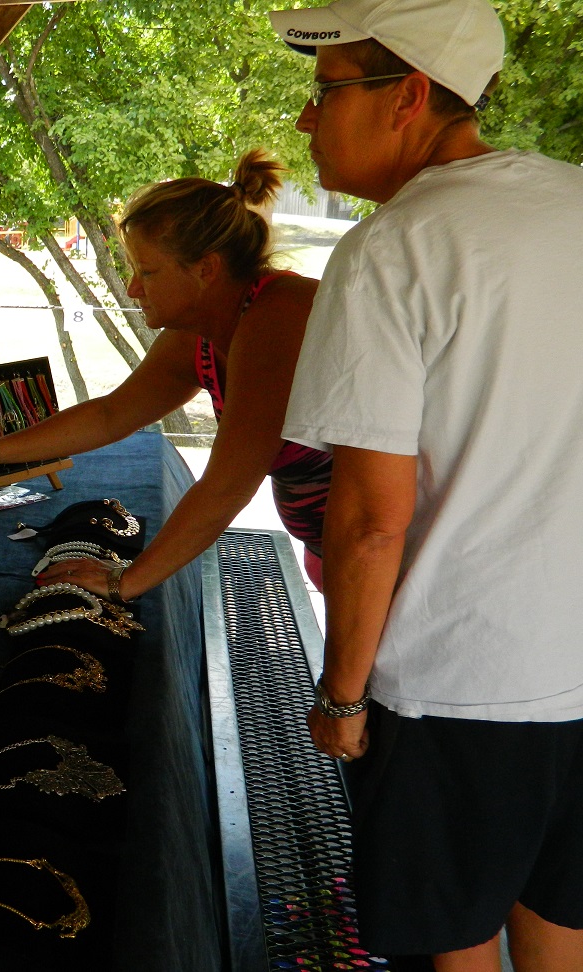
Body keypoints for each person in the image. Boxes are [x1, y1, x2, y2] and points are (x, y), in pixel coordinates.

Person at [268, 0, 583, 967]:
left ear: (406, 96)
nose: (305, 121)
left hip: (457, 684)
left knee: (452, 945)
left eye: (325, 92)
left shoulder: (392, 251)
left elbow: (368, 521)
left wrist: (344, 697)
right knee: (560, 925)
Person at [0, 149, 329, 600]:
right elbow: (111, 414)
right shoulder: (201, 330)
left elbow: (226, 487)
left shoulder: (278, 318)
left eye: (149, 272)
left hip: (392, 561)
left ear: (206, 269)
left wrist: (125, 580)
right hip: (331, 554)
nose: (134, 288)